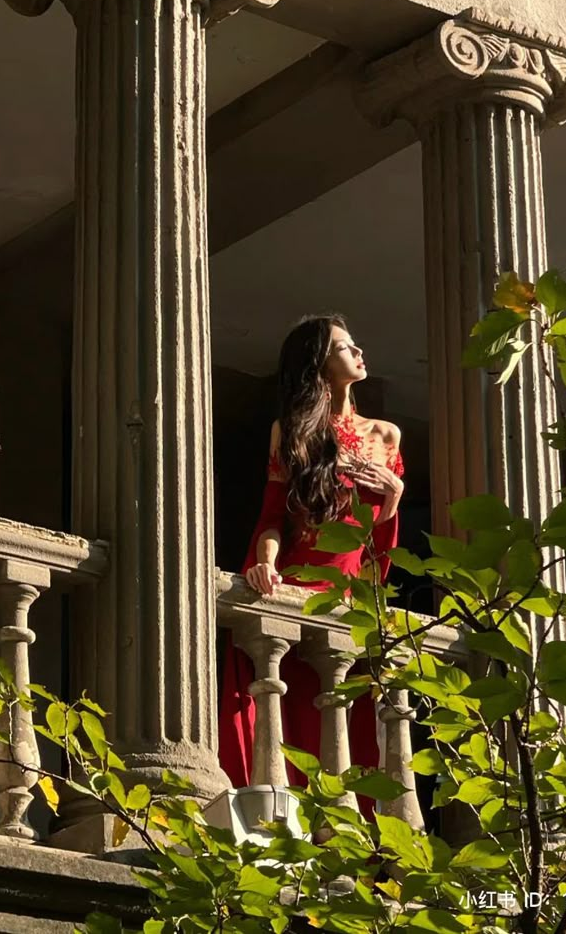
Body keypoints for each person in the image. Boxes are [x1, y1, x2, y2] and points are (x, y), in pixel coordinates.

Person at [219, 314, 405, 790]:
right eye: (346, 347)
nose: (359, 353)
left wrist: (395, 494)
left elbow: (372, 542)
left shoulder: (386, 436)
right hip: (296, 585)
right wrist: (264, 562)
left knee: (343, 725)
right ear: (319, 364)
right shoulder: (292, 432)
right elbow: (274, 518)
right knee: (282, 717)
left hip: (346, 596)